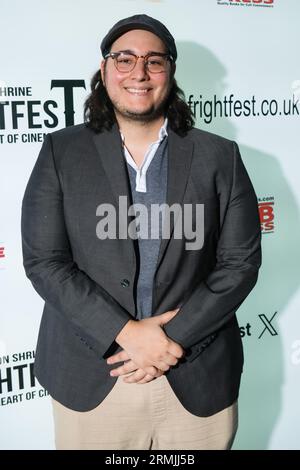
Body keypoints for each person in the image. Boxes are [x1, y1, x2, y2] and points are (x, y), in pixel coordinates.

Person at [21, 14, 261, 450]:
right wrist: (127, 333)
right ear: (105, 69)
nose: (139, 73)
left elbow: (239, 264)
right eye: (125, 59)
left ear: (170, 72)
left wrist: (172, 339)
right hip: (93, 378)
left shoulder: (218, 156)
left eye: (154, 61)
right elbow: (45, 261)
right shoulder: (61, 151)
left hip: (196, 377)